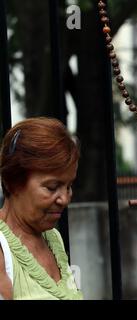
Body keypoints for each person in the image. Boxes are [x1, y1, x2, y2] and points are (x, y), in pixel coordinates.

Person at [0, 117, 83, 300]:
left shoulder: (53, 239)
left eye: (68, 186)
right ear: (13, 182)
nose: (64, 199)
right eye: (52, 187)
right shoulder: (2, 249)